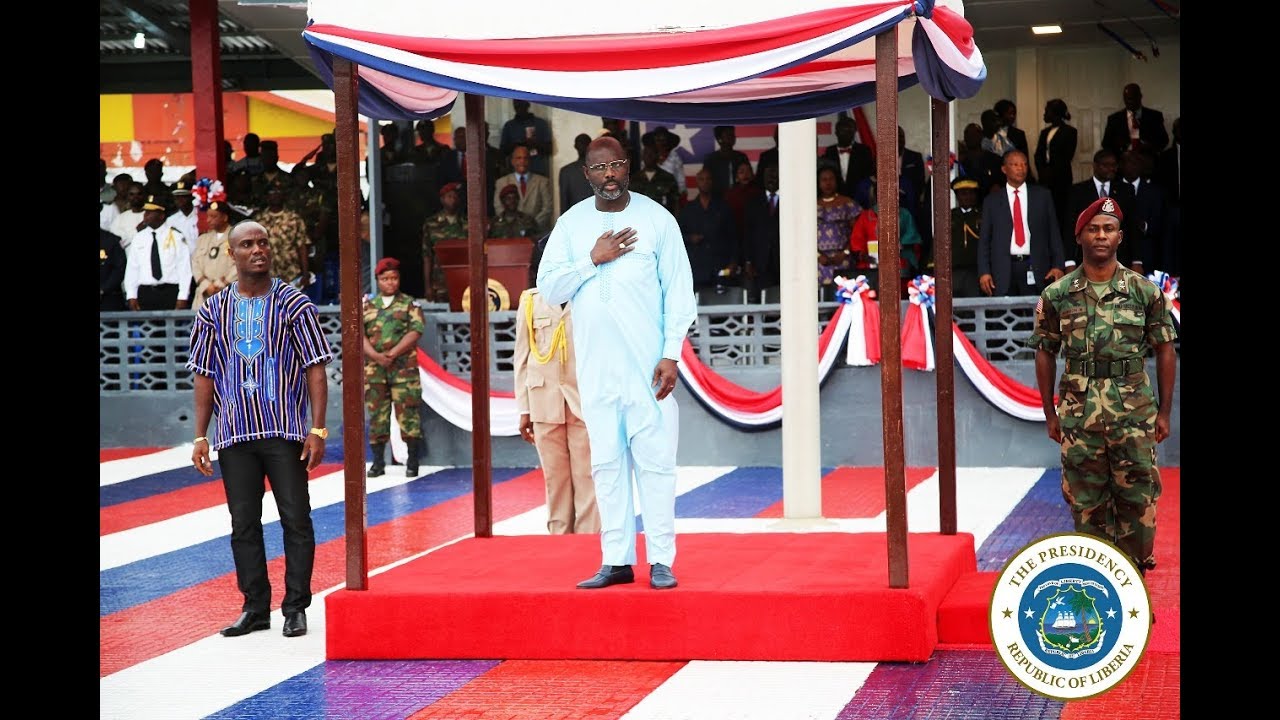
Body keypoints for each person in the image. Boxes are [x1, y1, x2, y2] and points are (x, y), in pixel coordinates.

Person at [536, 136, 696, 590]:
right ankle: (616, 559)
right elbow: (549, 288)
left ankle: (661, 559)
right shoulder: (571, 226)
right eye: (600, 168)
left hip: (649, 369)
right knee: (605, 463)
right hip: (597, 368)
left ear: (628, 168)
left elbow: (679, 290)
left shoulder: (656, 219)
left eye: (617, 165)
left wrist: (670, 353)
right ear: (586, 173)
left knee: (656, 463)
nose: (610, 174)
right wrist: (592, 260)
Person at [187, 219, 333, 639]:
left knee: (296, 519)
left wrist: (318, 429)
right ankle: (255, 607)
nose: (258, 250)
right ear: (231, 254)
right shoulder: (213, 310)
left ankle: (295, 607)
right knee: (243, 524)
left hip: (285, 432)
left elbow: (315, 369)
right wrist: (201, 434)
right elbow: (204, 374)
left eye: (263, 242)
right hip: (234, 434)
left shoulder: (294, 304)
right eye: (248, 244)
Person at [1028, 196, 1176, 577]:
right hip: (1079, 418)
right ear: (1079, 237)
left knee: (1137, 496)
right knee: (1086, 500)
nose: (1101, 235)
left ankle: (1134, 589)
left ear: (1120, 237)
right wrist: (1050, 412)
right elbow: (1044, 352)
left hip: (1134, 414)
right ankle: (1096, 585)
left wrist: (1163, 411)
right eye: (1093, 229)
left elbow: (1165, 349)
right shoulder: (1057, 295)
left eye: (1108, 229)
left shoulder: (1145, 292)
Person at [514, 236, 599, 535]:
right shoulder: (530, 301)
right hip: (543, 401)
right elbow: (521, 359)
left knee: (588, 476)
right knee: (555, 478)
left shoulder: (590, 295)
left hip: (582, 399)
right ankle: (558, 541)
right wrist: (523, 408)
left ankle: (590, 541)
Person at [362, 257, 426, 478]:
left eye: (394, 278)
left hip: (403, 369)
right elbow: (358, 335)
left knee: (408, 413)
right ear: (378, 280)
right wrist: (376, 356)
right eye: (385, 278)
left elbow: (416, 331)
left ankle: (412, 461)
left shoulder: (409, 304)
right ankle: (378, 463)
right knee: (377, 415)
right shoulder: (367, 305)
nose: (390, 282)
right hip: (374, 370)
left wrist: (393, 353)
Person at [976, 150, 1064, 297]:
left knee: (1038, 316)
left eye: (1024, 164)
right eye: (1015, 164)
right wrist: (984, 272)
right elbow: (984, 239)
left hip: (1036, 266)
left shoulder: (1042, 196)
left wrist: (1058, 265)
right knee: (1005, 316)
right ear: (1004, 169)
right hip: (1003, 268)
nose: (1020, 168)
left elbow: (1053, 232)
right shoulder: (992, 201)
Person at [1033, 99, 1078, 240]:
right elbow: (1038, 154)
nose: (1044, 114)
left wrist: (1052, 171)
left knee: (1061, 211)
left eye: (1047, 111)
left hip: (1061, 178)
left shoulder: (1070, 132)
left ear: (1055, 113)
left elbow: (1066, 155)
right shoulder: (1044, 132)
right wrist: (1042, 170)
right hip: (1045, 179)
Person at [190, 200, 237, 314]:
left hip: (229, 292)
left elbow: (240, 264)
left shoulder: (236, 236)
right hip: (205, 294)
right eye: (208, 216)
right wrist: (206, 284)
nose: (208, 220)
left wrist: (222, 284)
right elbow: (195, 263)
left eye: (213, 217)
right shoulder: (203, 239)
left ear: (224, 217)